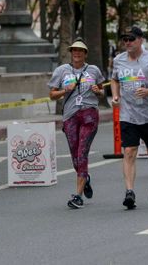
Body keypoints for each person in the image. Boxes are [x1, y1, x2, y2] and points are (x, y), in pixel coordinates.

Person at [110, 26, 148, 209]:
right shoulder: (118, 60)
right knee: (129, 151)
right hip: (128, 114)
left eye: (131, 38)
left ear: (140, 40)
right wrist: (115, 95)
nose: (127, 42)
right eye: (124, 39)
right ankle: (129, 192)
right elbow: (114, 79)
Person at [48, 37, 105, 209]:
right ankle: (84, 177)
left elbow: (102, 91)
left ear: (85, 54)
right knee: (75, 156)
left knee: (82, 152)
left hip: (89, 114)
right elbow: (52, 94)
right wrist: (65, 90)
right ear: (71, 53)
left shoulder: (93, 70)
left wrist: (98, 91)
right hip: (70, 115)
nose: (77, 53)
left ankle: (78, 195)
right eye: (74, 50)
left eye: (80, 51)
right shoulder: (62, 71)